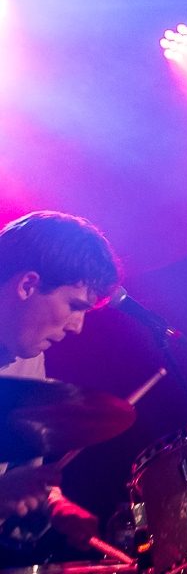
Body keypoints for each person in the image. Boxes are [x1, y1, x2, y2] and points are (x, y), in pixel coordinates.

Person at [0, 210, 120, 555]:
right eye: (73, 306)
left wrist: (53, 502)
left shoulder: (28, 360)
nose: (77, 327)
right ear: (28, 285)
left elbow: (18, 477)